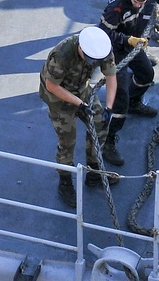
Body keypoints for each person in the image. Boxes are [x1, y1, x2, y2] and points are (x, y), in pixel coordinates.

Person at [38, 26, 119, 208]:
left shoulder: (101, 49)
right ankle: (65, 181)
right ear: (81, 48)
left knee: (100, 126)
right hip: (58, 98)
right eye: (89, 59)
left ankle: (93, 173)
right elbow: (52, 86)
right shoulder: (62, 54)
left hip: (81, 90)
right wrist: (79, 105)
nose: (92, 63)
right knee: (67, 140)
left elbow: (111, 76)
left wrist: (109, 108)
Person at [97, 0, 159, 166]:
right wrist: (127, 40)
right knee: (119, 97)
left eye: (143, 0)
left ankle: (134, 103)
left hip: (132, 43)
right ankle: (108, 140)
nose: (139, 3)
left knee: (146, 74)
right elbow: (104, 33)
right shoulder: (115, 8)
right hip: (114, 50)